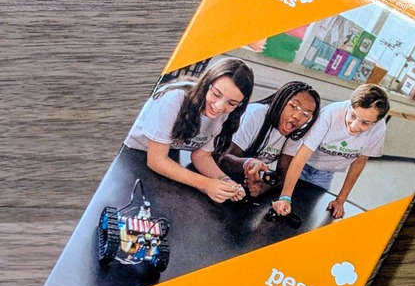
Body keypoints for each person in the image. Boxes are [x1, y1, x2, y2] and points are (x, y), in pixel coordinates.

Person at [123, 57, 254, 203]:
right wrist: (207, 184)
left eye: (232, 103)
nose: (219, 106)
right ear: (206, 83)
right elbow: (156, 161)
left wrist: (226, 182)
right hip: (129, 152)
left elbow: (201, 156)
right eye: (216, 94)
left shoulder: (225, 114)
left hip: (168, 155)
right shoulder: (175, 98)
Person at [272, 84, 390, 219]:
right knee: (277, 204)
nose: (354, 126)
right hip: (299, 166)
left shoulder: (379, 129)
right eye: (353, 116)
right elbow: (302, 156)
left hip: (324, 174)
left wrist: (340, 200)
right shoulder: (330, 114)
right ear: (349, 106)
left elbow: (359, 163)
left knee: (306, 213)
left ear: (376, 122)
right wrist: (285, 197)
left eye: (365, 123)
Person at [215, 81, 321, 198]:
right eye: (293, 106)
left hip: (238, 186)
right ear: (281, 101)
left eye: (305, 114)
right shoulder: (255, 114)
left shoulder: (294, 133)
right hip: (213, 172)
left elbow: (285, 176)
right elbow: (224, 160)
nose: (297, 116)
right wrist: (249, 163)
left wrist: (263, 187)